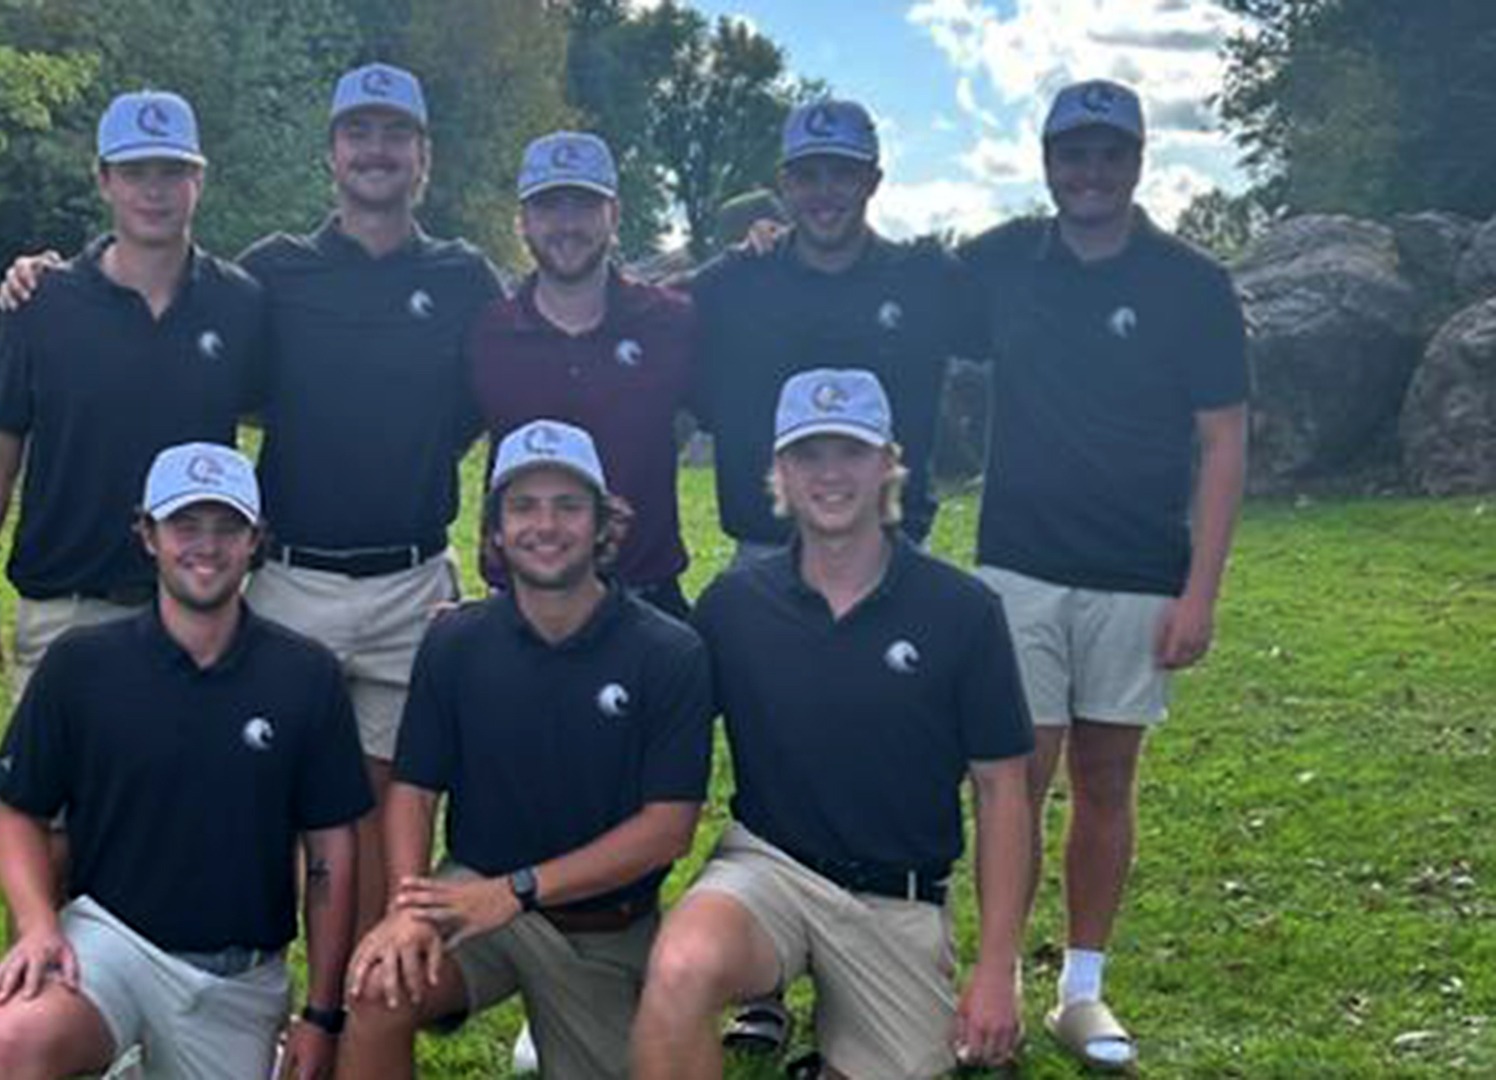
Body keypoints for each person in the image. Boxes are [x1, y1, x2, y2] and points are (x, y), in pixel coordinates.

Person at [0, 64, 504, 935]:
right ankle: (226, 989)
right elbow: (196, 375)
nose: (375, 152)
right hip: (287, 578)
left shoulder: (467, 278)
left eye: (394, 135)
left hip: (409, 584)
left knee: (376, 819)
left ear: (425, 157)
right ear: (331, 153)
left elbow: (491, 399)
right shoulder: (273, 275)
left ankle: (343, 1021)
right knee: (251, 797)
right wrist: (52, 273)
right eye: (358, 133)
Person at [958, 78, 1249, 1072]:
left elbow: (1223, 442)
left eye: (1108, 155)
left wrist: (1201, 590)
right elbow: (891, 294)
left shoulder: (1192, 283)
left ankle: (1081, 989)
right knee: (1010, 781)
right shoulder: (998, 262)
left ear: (1137, 162)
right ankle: (991, 977)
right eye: (1072, 155)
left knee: (1105, 780)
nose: (1089, 173)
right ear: (1046, 163)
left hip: (1137, 571)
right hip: (1019, 565)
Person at [632, 369, 1033, 1079]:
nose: (830, 475)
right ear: (780, 472)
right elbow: (644, 707)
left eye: (850, 452)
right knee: (680, 967)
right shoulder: (733, 605)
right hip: (770, 868)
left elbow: (1003, 791)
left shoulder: (963, 610)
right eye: (808, 455)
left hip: (896, 897)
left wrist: (999, 967)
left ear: (888, 463)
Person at [0, 442, 369, 1080]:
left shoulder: (305, 675)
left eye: (227, 528)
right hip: (111, 943)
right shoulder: (82, 665)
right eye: (184, 524)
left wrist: (322, 1015)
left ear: (255, 541)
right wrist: (39, 924)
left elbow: (330, 854)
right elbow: (19, 813)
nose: (205, 546)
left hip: (237, 977)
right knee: (17, 1035)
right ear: (147, 535)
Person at [336, 420, 714, 1080]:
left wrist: (518, 891)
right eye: (524, 506)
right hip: (471, 893)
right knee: (376, 985)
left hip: (599, 928)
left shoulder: (668, 651)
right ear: (495, 531)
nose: (546, 525)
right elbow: (415, 789)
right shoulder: (456, 641)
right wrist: (408, 906)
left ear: (603, 524)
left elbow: (668, 831)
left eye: (568, 505)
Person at [0, 89, 264, 700]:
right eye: (134, 172)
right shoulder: (43, 302)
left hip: (195, 602)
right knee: (59, 796)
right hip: (67, 608)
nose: (154, 190)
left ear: (198, 179)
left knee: (190, 794)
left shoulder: (240, 302)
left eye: (172, 171)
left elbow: (275, 411)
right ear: (103, 180)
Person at [690, 99, 984, 567]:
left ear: (872, 180)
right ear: (785, 183)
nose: (824, 192)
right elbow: (640, 315)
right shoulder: (734, 283)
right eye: (807, 176)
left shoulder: (927, 279)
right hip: (767, 556)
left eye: (842, 174)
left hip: (895, 554)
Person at [468, 131, 698, 617]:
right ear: (523, 221)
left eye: (584, 206)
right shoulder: (485, 333)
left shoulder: (673, 321)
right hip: (519, 606)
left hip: (646, 603)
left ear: (613, 214)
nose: (567, 225)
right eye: (550, 206)